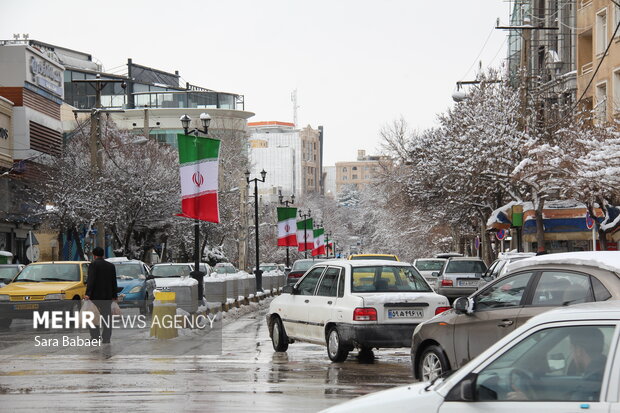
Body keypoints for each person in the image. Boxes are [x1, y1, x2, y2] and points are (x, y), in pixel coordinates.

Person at [84, 247, 118, 344]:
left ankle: (95, 337)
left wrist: (88, 294)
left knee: (93, 316)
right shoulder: (111, 266)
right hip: (107, 296)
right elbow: (113, 282)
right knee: (107, 317)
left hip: (95, 296)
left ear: (94, 255)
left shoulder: (93, 265)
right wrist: (114, 295)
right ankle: (106, 338)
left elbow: (91, 280)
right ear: (103, 255)